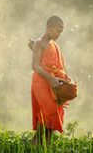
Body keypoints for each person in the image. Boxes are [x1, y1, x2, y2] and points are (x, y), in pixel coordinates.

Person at [30, 16, 71, 145]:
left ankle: (45, 143)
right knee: (48, 112)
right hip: (41, 82)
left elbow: (60, 64)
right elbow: (35, 66)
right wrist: (50, 78)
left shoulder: (55, 45)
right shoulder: (39, 43)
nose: (59, 34)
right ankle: (37, 141)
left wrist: (67, 77)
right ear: (49, 27)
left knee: (54, 112)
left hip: (54, 83)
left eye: (61, 32)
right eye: (58, 31)